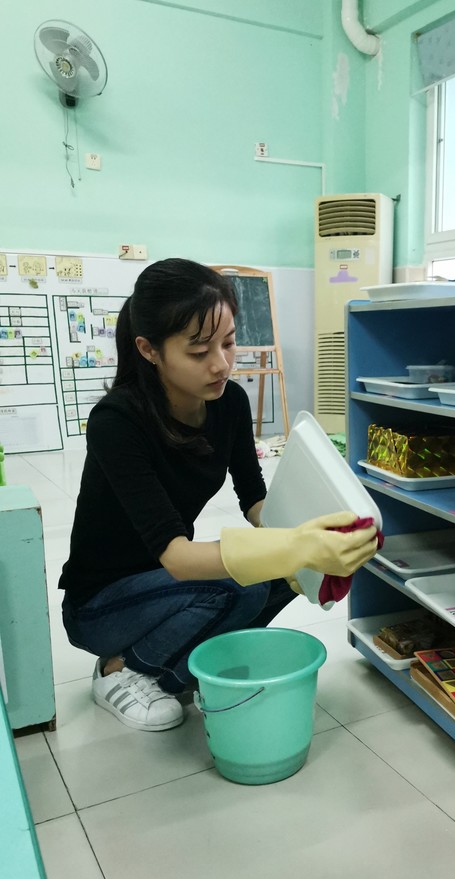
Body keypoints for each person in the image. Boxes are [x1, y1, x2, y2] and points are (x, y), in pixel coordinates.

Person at [59, 258, 379, 732]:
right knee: (238, 584)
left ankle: (176, 670)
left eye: (228, 342)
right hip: (103, 605)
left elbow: (254, 500)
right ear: (149, 350)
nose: (221, 363)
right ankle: (121, 669)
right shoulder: (117, 422)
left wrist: (313, 533)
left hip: (168, 585)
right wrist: (293, 546)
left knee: (281, 572)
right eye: (198, 351)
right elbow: (177, 557)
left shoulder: (229, 402)